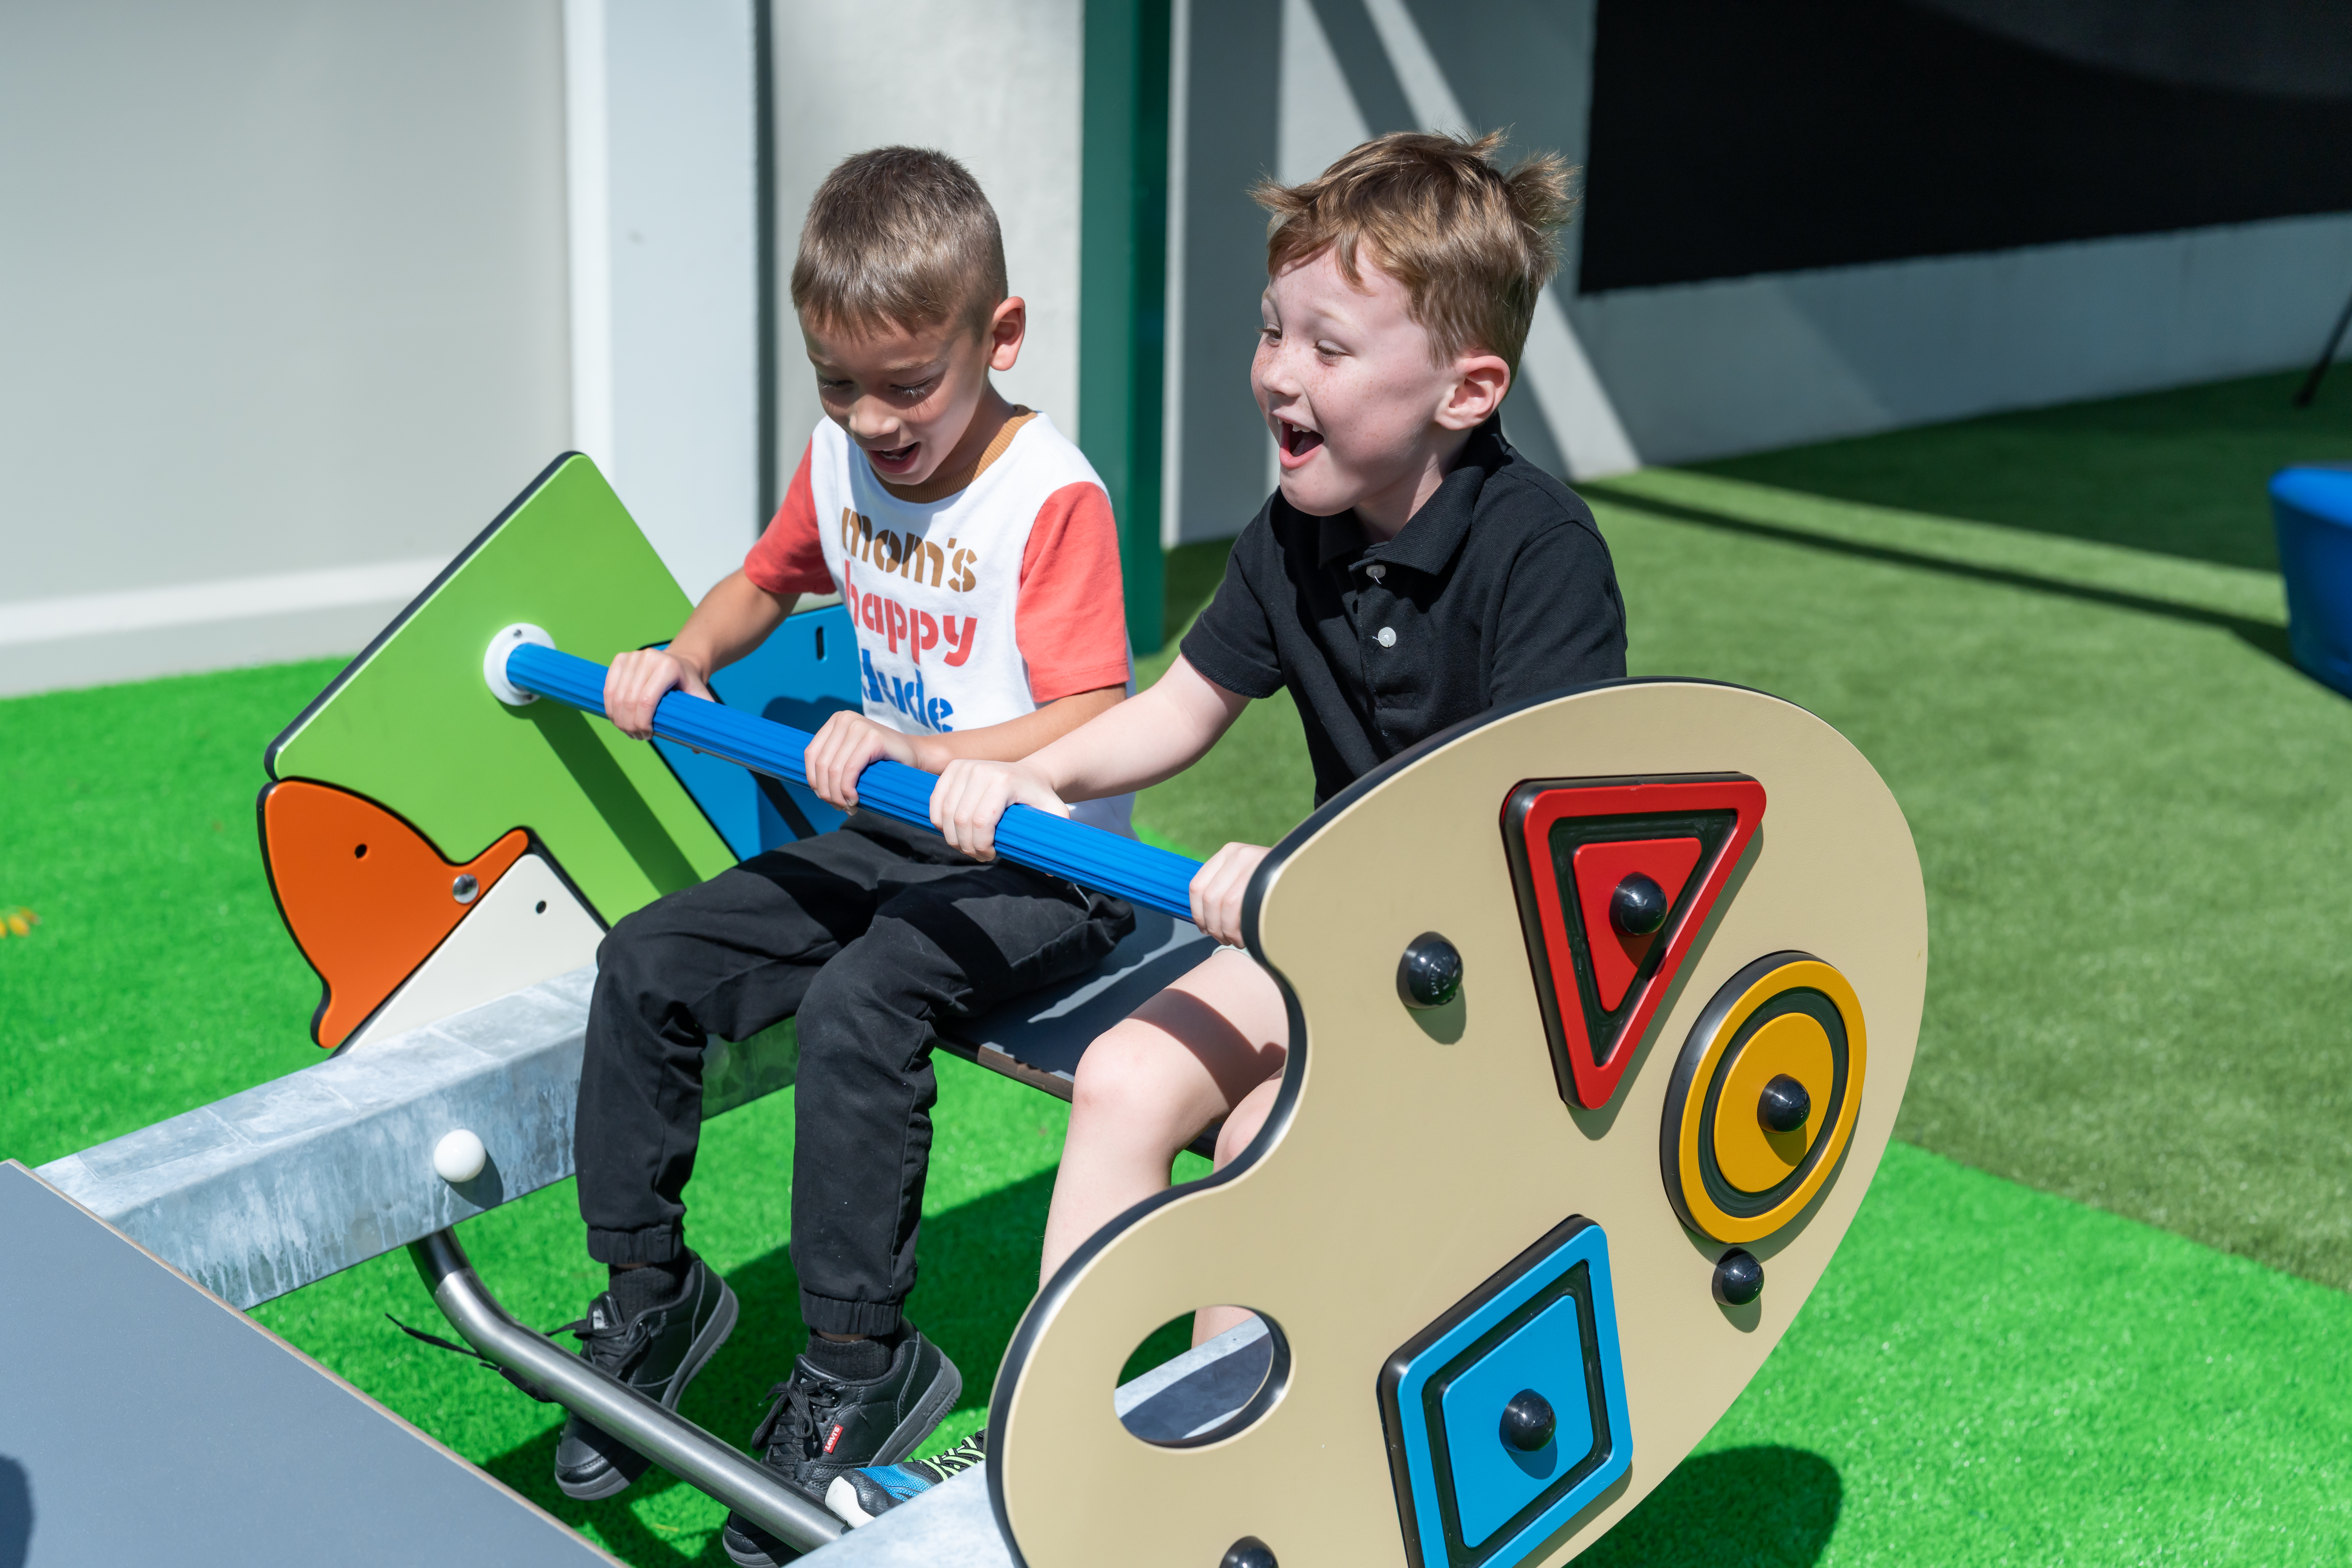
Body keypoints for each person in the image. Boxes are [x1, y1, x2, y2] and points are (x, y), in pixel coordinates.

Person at [872, 129, 1625, 1501]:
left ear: (1468, 388)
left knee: (1264, 1140)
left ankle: (1226, 1446)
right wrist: (1037, 778)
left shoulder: (1542, 557)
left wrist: (1300, 871)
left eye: (1329, 348)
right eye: (1273, 331)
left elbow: (1533, 831)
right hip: (1327, 935)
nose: (1279, 372)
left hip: (1481, 979)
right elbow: (1178, 709)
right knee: (1124, 1078)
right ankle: (1036, 1430)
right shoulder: (1293, 532)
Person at [557, 145, 1136, 1566]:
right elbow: (770, 577)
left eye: (905, 386)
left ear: (998, 338)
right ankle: (654, 1294)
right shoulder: (842, 460)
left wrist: (933, 756)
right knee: (648, 961)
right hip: (895, 830)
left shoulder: (1049, 496)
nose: (872, 420)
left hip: (1053, 860)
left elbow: (1092, 709)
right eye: (838, 384)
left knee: (862, 1001)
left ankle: (862, 1364)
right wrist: (677, 657)